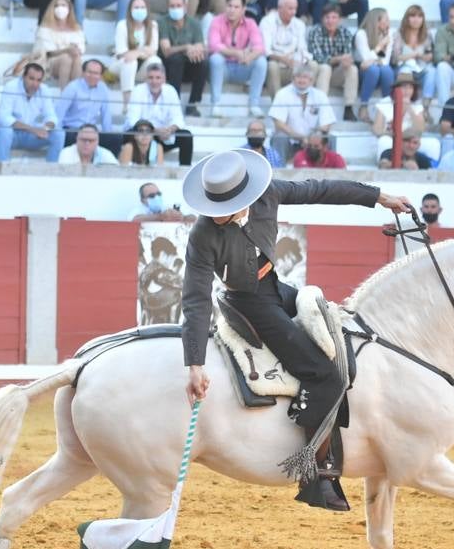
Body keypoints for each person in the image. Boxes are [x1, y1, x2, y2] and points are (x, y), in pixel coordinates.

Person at [179, 148, 412, 511]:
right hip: (248, 302)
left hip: (274, 286)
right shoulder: (203, 233)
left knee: (339, 336)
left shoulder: (270, 193)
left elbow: (321, 189)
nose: (217, 214)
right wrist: (194, 363)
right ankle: (315, 475)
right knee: (324, 375)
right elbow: (195, 299)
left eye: (226, 206)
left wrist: (379, 196)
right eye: (214, 207)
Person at [206, 0, 266, 116]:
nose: (232, 10)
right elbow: (213, 45)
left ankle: (254, 105)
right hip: (224, 69)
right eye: (229, 6)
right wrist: (236, 53)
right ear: (225, 6)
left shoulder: (250, 23)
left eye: (236, 7)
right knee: (216, 58)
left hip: (242, 65)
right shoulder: (216, 21)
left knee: (261, 62)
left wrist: (249, 57)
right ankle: (215, 104)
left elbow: (259, 47)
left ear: (243, 9)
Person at [0, 61, 64, 163]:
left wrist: (45, 128)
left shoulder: (44, 90)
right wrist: (33, 129)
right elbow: (4, 117)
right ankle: (2, 170)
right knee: (5, 130)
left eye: (38, 80)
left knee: (59, 133)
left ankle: (51, 171)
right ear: (23, 77)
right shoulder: (11, 87)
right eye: (31, 79)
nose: (35, 84)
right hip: (13, 134)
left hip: (31, 136)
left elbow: (51, 116)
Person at [125, 59, 191, 166]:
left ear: (164, 79)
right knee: (129, 134)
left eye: (158, 78)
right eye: (151, 78)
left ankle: (184, 170)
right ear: (146, 79)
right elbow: (133, 120)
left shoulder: (171, 90)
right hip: (145, 133)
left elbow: (178, 118)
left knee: (186, 136)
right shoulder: (138, 90)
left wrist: (170, 130)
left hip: (165, 135)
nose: (154, 81)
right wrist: (154, 130)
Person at [267, 64, 333, 163]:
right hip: (289, 139)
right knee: (279, 137)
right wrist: (300, 137)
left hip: (312, 141)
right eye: (298, 77)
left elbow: (326, 125)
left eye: (305, 77)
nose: (301, 80)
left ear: (311, 80)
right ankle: (278, 170)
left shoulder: (320, 95)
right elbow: (279, 124)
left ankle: (328, 172)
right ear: (293, 79)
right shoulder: (282, 93)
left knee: (330, 138)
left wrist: (312, 138)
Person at [307, 4, 358, 120]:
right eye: (327, 17)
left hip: (336, 74)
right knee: (325, 67)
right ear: (322, 19)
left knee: (352, 69)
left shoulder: (345, 33)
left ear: (339, 19)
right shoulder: (315, 31)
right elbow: (317, 57)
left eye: (334, 17)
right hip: (319, 74)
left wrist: (345, 61)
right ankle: (321, 107)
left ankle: (348, 108)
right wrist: (339, 59)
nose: (330, 21)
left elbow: (347, 55)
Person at [260, 0, 314, 99]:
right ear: (280, 8)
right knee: (272, 66)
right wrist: (283, 59)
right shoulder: (267, 22)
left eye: (295, 8)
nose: (294, 12)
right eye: (290, 9)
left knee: (313, 65)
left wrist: (301, 61)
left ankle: (305, 103)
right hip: (276, 65)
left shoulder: (299, 24)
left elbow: (302, 49)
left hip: (293, 67)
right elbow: (266, 50)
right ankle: (278, 106)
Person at [56, 57, 118, 151]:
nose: (92, 76)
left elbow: (106, 114)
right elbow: (59, 113)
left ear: (101, 75)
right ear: (83, 72)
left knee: (115, 139)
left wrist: (107, 134)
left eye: (96, 73)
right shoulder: (73, 87)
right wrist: (58, 133)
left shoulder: (103, 89)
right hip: (72, 130)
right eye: (89, 72)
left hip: (91, 132)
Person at [112, 0, 158, 114]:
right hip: (120, 65)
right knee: (130, 62)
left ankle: (151, 101)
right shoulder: (122, 25)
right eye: (136, 7)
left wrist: (136, 53)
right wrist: (142, 52)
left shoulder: (153, 26)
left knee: (155, 61)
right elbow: (122, 53)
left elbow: (153, 50)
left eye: (142, 7)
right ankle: (127, 105)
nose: (139, 10)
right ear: (130, 10)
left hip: (140, 67)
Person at [29, 0, 84, 89]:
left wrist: (74, 50)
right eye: (57, 6)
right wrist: (66, 50)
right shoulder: (45, 28)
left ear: (69, 9)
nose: (60, 8)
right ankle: (64, 96)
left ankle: (75, 96)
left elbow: (80, 49)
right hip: (50, 62)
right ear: (52, 9)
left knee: (76, 58)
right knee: (66, 58)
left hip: (73, 59)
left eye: (63, 5)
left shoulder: (76, 29)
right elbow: (48, 53)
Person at [354, 7, 394, 120]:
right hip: (362, 73)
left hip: (379, 71)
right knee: (373, 70)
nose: (388, 23)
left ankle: (388, 108)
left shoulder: (388, 35)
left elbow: (385, 61)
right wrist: (379, 47)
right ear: (376, 21)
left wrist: (375, 59)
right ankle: (363, 107)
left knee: (387, 70)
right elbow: (365, 59)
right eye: (385, 20)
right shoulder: (361, 34)